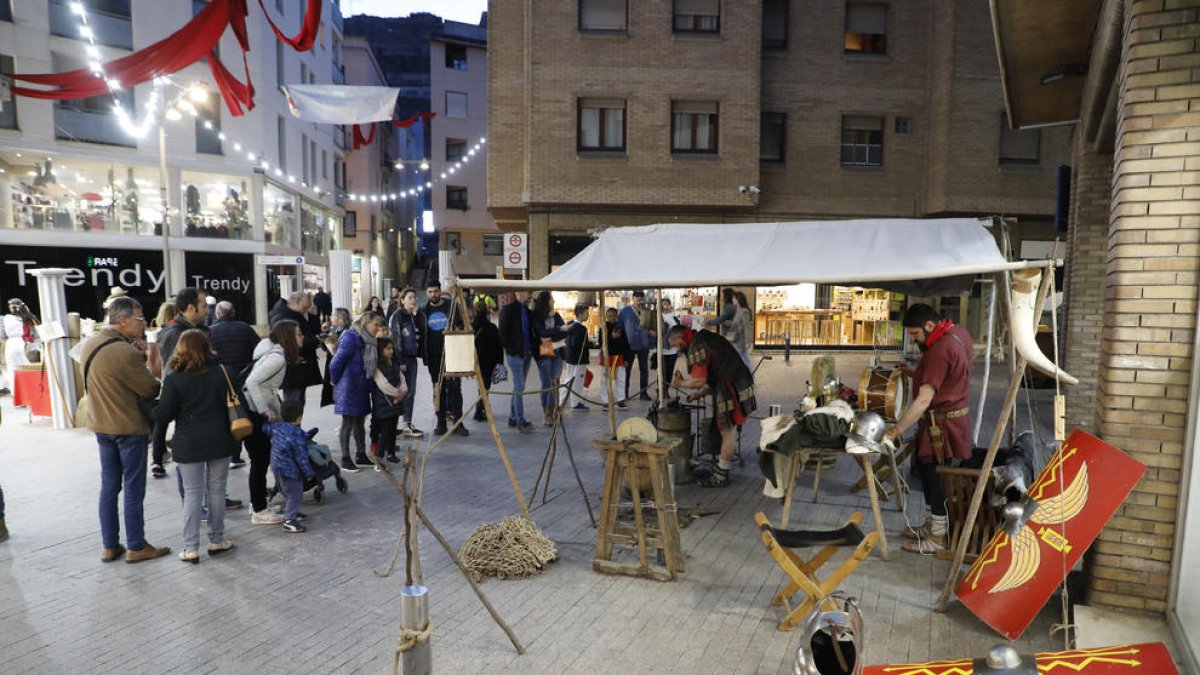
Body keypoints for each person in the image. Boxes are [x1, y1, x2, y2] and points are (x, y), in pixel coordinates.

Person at [80, 296, 171, 563]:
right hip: (128, 428)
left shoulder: (91, 343)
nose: (144, 323)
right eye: (140, 318)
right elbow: (152, 387)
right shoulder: (125, 352)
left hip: (101, 425)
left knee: (109, 485)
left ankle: (109, 545)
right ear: (123, 320)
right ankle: (136, 545)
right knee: (133, 487)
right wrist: (148, 355)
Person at [883, 303, 973, 555]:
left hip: (942, 426)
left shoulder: (939, 350)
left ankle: (937, 537)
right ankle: (931, 525)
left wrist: (897, 430)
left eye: (915, 334)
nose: (914, 340)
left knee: (935, 478)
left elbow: (923, 400)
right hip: (952, 420)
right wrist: (913, 373)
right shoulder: (959, 333)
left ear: (929, 326)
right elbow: (950, 376)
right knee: (928, 473)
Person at [150, 330, 237, 564]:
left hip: (189, 443)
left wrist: (149, 406)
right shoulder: (223, 372)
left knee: (192, 493)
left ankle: (190, 548)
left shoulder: (175, 378)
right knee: (217, 491)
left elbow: (164, 414)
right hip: (221, 438)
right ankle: (217, 540)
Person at [668, 324, 757, 488]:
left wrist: (681, 383)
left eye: (674, 345)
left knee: (727, 431)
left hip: (732, 386)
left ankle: (721, 475)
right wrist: (699, 394)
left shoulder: (698, 345)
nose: (675, 349)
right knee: (727, 430)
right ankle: (722, 468)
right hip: (736, 382)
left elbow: (699, 381)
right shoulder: (703, 338)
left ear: (679, 338)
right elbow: (716, 372)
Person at [243, 320, 303, 525]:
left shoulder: (269, 347)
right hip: (253, 410)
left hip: (252, 408)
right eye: (298, 333)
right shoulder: (277, 358)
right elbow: (253, 382)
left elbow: (266, 386)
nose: (301, 337)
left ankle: (258, 502)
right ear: (288, 337)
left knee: (260, 459)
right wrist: (264, 410)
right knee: (260, 460)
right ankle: (258, 510)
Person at [151, 288, 209, 480]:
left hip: (195, 399)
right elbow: (172, 369)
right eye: (204, 306)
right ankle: (159, 460)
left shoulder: (196, 330)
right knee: (188, 458)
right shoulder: (175, 333)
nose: (207, 310)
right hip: (187, 399)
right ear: (191, 308)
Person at [330, 311, 385, 472]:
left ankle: (360, 454)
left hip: (360, 386)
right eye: (375, 325)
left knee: (360, 422)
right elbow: (336, 362)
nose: (377, 328)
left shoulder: (369, 340)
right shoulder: (351, 337)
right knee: (348, 423)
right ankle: (345, 458)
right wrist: (334, 380)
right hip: (348, 387)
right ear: (365, 323)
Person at [209, 301, 259, 469]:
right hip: (244, 379)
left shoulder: (210, 332)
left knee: (227, 415)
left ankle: (232, 454)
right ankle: (246, 452)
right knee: (242, 413)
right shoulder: (245, 328)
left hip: (221, 379)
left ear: (217, 314)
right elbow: (258, 351)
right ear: (233, 313)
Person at [264, 399, 321, 533]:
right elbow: (301, 458)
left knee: (286, 492)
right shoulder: (298, 435)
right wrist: (309, 473)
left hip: (276, 467)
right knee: (296, 494)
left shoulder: (277, 427)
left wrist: (266, 418)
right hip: (291, 471)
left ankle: (292, 512)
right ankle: (289, 520)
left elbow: (265, 428)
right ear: (299, 417)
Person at [417, 281, 466, 437]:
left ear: (440, 291)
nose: (433, 294)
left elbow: (463, 325)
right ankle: (441, 422)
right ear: (426, 293)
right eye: (430, 292)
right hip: (433, 356)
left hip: (452, 354)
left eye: (436, 291)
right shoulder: (423, 311)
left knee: (455, 389)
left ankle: (458, 422)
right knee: (438, 390)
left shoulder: (451, 306)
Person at [269, 291, 323, 409]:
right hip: (293, 367)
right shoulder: (283, 317)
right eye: (305, 308)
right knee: (293, 403)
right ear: (297, 303)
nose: (305, 311)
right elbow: (291, 341)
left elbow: (312, 332)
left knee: (298, 401)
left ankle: (295, 425)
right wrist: (316, 341)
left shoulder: (296, 314)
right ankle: (292, 426)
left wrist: (313, 315)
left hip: (300, 366)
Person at [388, 288, 424, 438]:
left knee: (411, 392)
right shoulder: (398, 316)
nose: (413, 300)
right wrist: (400, 360)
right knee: (401, 391)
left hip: (412, 359)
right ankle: (396, 426)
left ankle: (407, 423)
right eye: (409, 297)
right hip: (403, 360)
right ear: (402, 300)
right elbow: (396, 340)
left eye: (414, 297)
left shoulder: (412, 317)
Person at [499, 291, 536, 433]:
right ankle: (520, 419)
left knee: (518, 386)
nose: (524, 294)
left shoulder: (526, 310)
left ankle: (513, 417)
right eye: (521, 292)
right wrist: (512, 349)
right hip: (516, 354)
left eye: (526, 292)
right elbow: (502, 333)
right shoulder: (508, 310)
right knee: (519, 387)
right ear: (517, 293)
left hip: (526, 353)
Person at [532, 291, 568, 426]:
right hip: (545, 352)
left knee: (555, 383)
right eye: (552, 299)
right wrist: (558, 329)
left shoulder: (556, 315)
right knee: (546, 384)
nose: (554, 302)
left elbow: (565, 331)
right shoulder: (537, 317)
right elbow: (542, 333)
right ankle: (546, 414)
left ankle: (551, 413)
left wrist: (552, 334)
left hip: (558, 352)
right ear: (546, 302)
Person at [370, 337, 406, 467]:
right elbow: (383, 385)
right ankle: (378, 459)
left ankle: (391, 453)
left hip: (395, 403)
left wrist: (403, 390)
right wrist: (398, 394)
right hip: (384, 404)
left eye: (392, 348)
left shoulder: (393, 363)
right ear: (380, 350)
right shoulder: (377, 367)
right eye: (388, 349)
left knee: (392, 429)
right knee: (385, 432)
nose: (391, 351)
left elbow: (401, 378)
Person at [619, 291, 654, 401]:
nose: (639, 298)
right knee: (627, 370)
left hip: (644, 345)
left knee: (644, 370)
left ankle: (643, 393)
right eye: (637, 296)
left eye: (641, 296)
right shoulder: (625, 312)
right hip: (629, 346)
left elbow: (653, 328)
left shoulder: (647, 311)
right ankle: (624, 393)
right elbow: (620, 327)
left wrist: (651, 340)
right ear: (633, 298)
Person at [560, 303, 591, 412]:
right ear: (581, 314)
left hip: (570, 358)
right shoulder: (580, 328)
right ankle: (574, 403)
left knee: (569, 379)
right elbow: (575, 343)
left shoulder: (570, 324)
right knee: (576, 381)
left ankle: (562, 401)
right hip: (578, 359)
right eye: (587, 313)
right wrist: (588, 344)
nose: (588, 316)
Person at [4, 299, 38, 392]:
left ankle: (17, 395)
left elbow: (2, 335)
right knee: (29, 368)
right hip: (26, 343)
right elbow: (36, 333)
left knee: (12, 370)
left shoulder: (6, 318)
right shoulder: (29, 317)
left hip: (11, 344)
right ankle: (32, 392)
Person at [600, 307, 630, 409]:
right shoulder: (603, 328)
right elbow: (601, 342)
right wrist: (611, 337)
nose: (611, 317)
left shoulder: (621, 328)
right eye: (609, 316)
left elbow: (626, 345)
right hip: (607, 356)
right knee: (605, 380)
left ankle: (620, 400)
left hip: (619, 356)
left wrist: (626, 359)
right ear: (606, 317)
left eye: (613, 315)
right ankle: (605, 401)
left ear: (617, 316)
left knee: (621, 379)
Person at [727, 291, 753, 370]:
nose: (732, 300)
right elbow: (737, 323)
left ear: (738, 299)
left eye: (734, 298)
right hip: (736, 341)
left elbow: (747, 327)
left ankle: (748, 377)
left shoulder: (744, 311)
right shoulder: (738, 310)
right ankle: (750, 377)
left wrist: (748, 342)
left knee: (741, 361)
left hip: (740, 341)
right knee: (745, 360)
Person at [659, 298, 681, 381]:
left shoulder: (674, 316)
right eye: (664, 304)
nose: (666, 306)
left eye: (667, 304)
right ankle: (660, 390)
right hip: (662, 347)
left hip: (673, 348)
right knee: (662, 371)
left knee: (670, 371)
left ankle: (666, 391)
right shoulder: (659, 316)